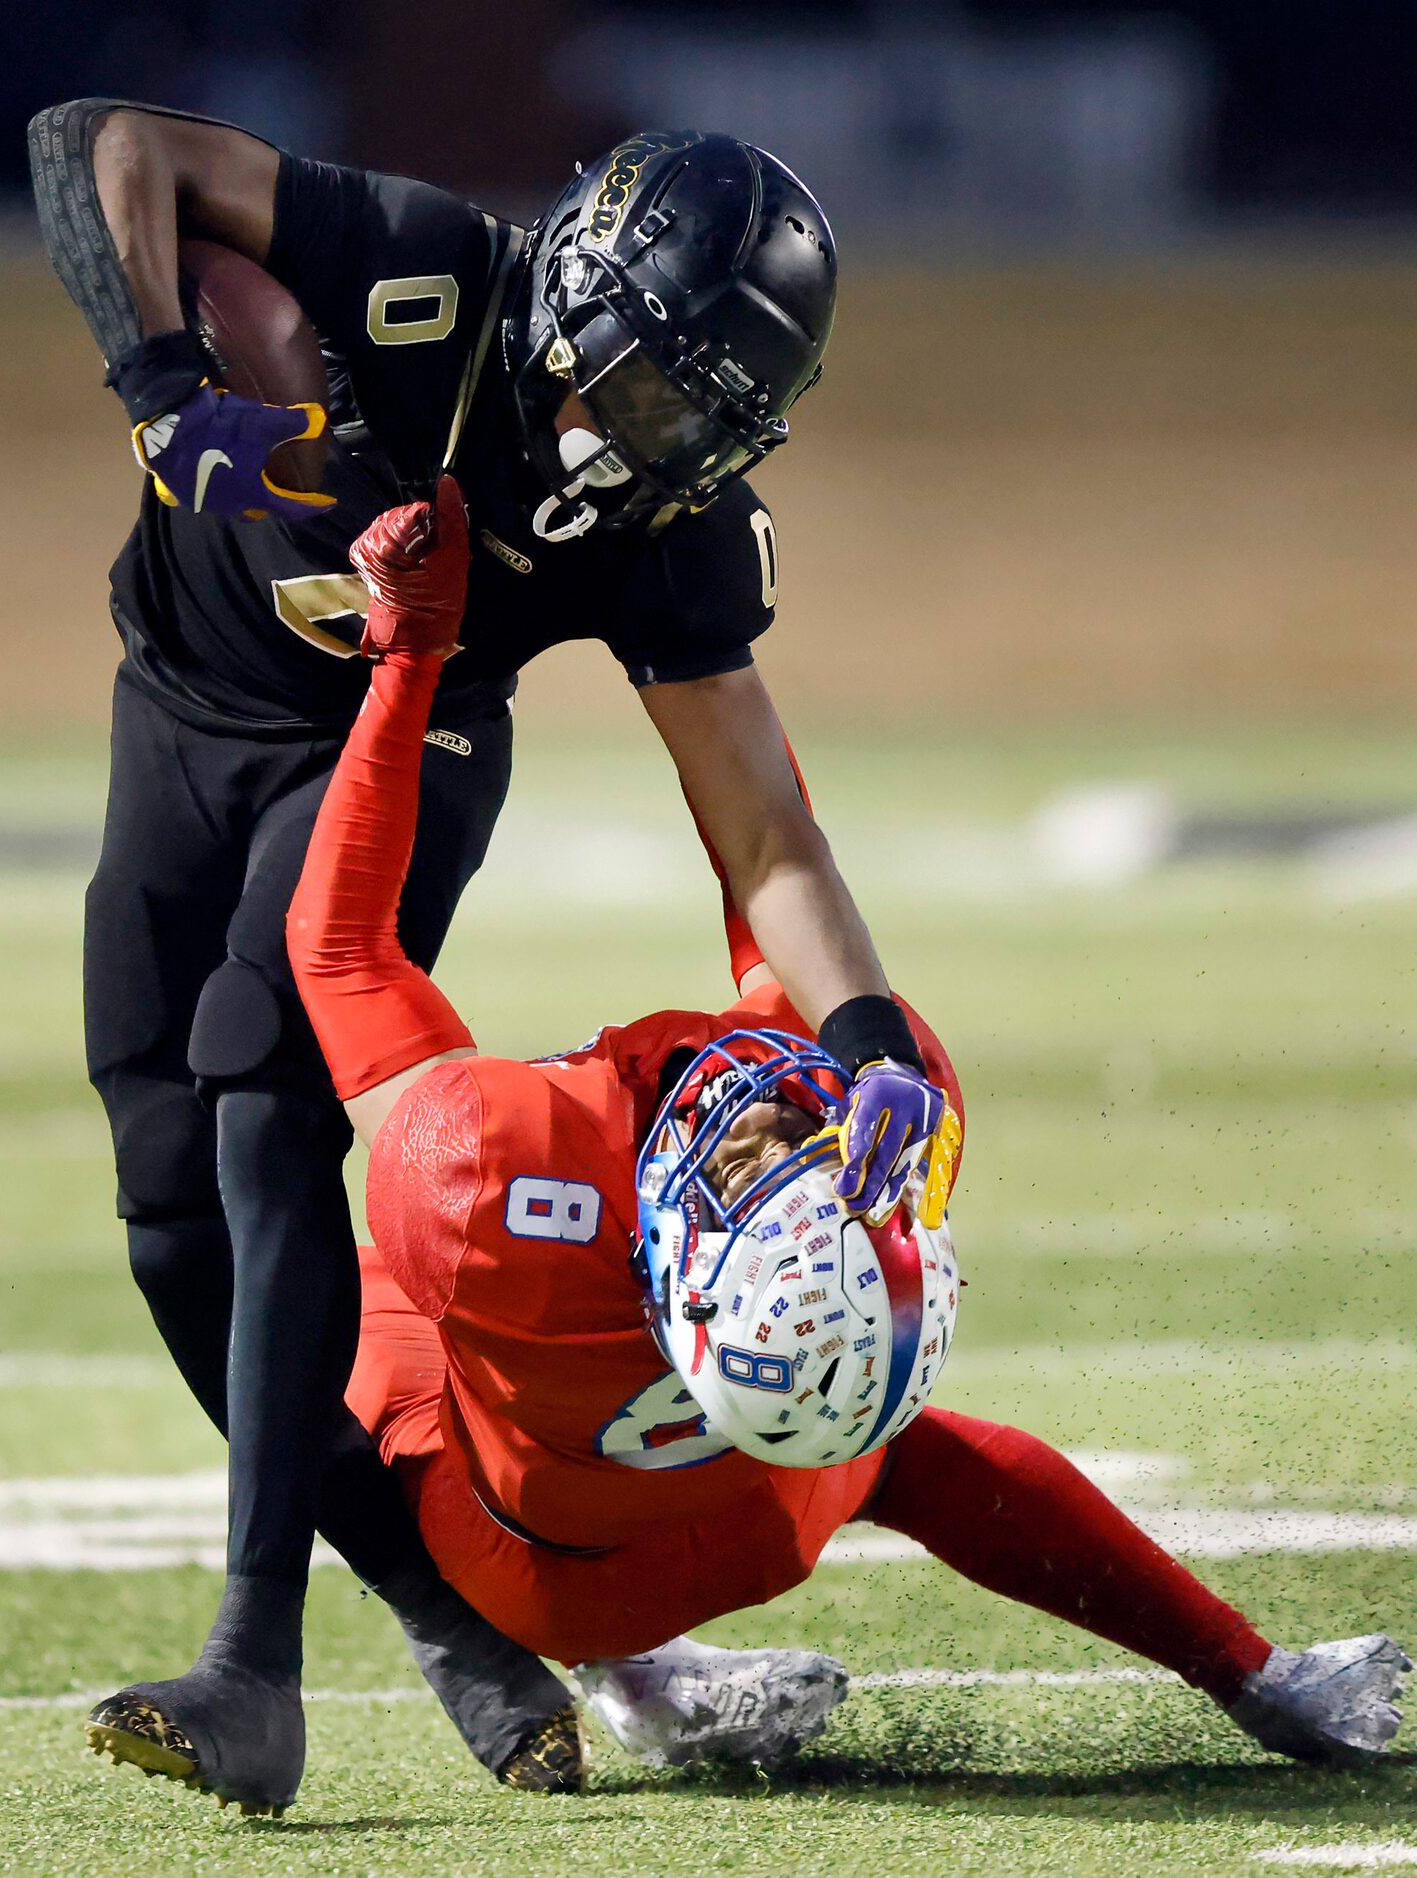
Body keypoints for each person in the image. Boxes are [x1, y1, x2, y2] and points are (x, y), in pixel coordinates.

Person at [29, 103, 948, 1812]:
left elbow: (765, 828)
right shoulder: (414, 266)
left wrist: (873, 1032)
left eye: (704, 416)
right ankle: (448, 1618)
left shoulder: (667, 518)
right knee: (169, 1226)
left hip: (402, 746)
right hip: (180, 708)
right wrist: (163, 389)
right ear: (579, 294)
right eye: (657, 384)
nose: (660, 441)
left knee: (264, 1108)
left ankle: (251, 1663)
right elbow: (96, 145)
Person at [290, 485, 1411, 1776]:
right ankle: (1256, 1675)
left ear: (675, 1255)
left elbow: (335, 946)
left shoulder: (496, 1173)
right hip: (763, 1507)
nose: (777, 1118)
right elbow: (767, 865)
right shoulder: (889, 1121)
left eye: (757, 1166)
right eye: (796, 1162)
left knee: (289, 1245)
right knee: (901, 1449)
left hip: (533, 1568)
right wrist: (698, 656)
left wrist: (408, 656)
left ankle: (622, 1669)